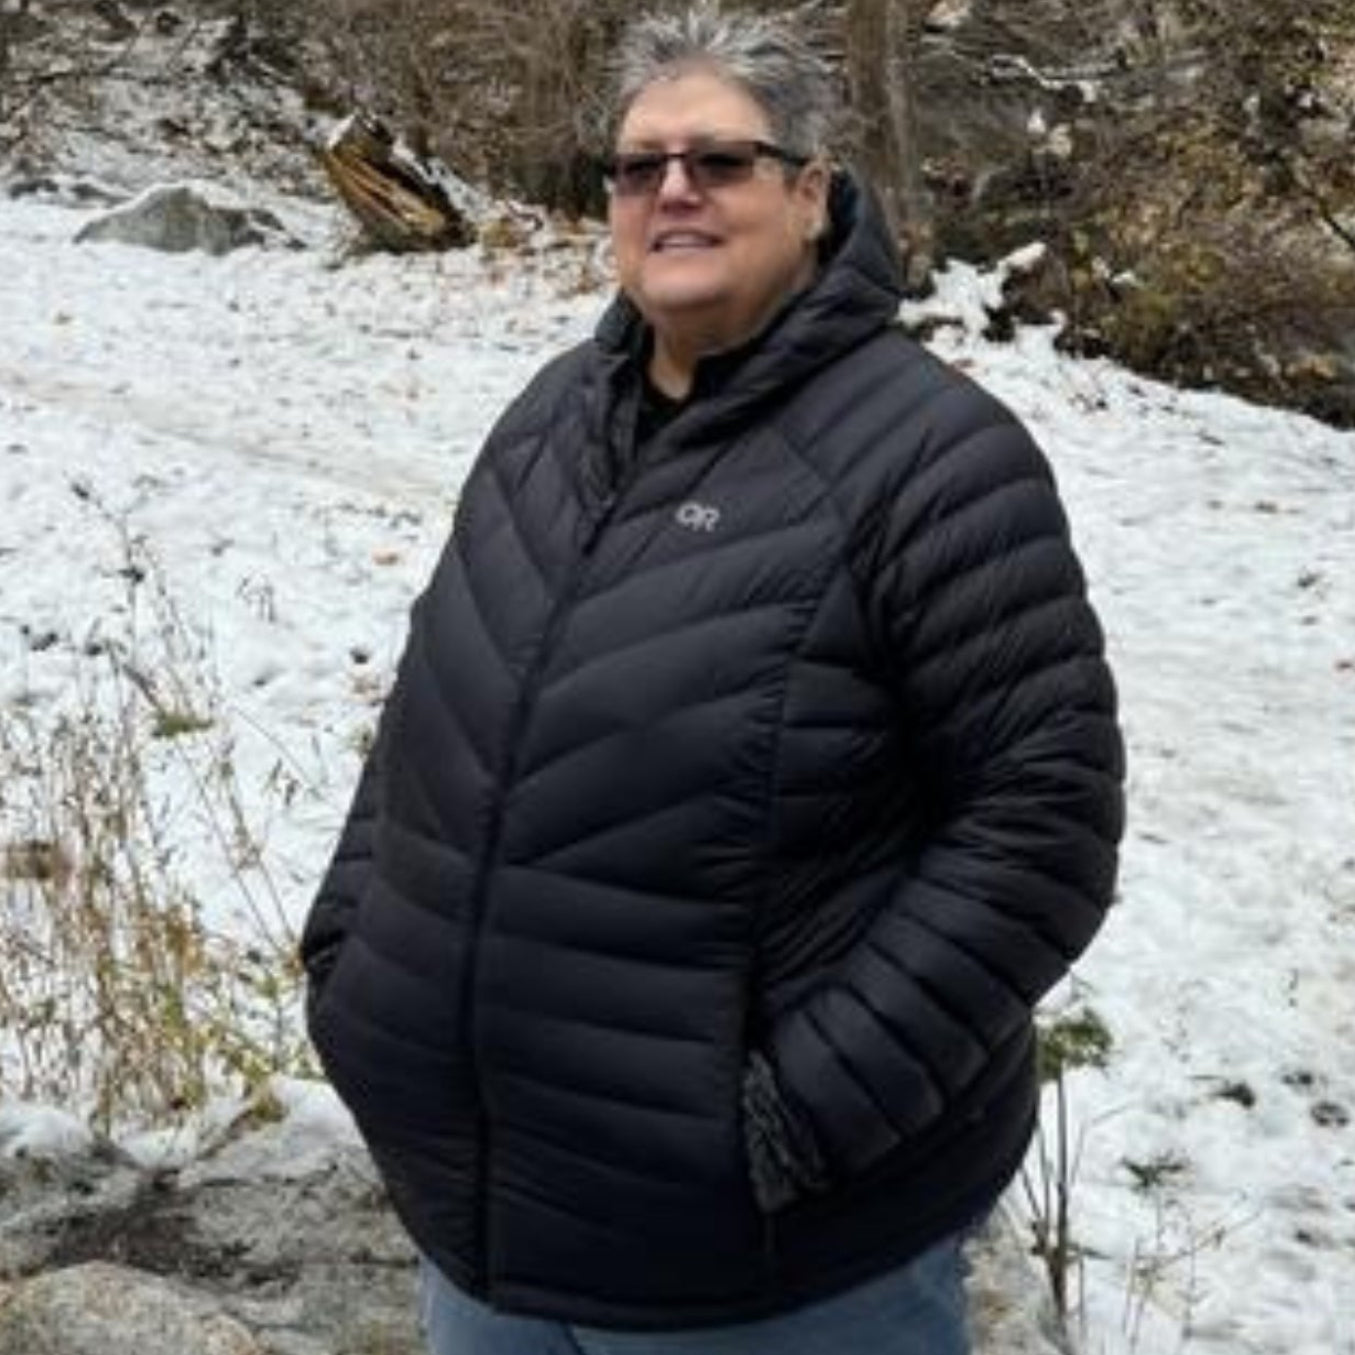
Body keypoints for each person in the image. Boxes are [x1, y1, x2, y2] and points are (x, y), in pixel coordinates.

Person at [300, 5, 1125, 1353]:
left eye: (720, 160)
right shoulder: (551, 418)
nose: (672, 189)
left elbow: (1041, 831)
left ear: (810, 195)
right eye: (639, 165)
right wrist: (352, 971)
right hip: (487, 1233)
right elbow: (430, 718)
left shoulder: (936, 463)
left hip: (768, 1271)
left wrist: (784, 1124)